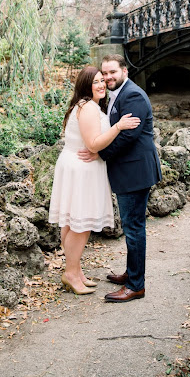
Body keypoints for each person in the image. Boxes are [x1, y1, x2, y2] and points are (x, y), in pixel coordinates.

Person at [48, 65, 141, 295]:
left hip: (76, 166)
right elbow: (92, 145)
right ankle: (70, 273)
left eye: (102, 80)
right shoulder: (88, 107)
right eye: (96, 82)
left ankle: (75, 270)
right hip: (82, 169)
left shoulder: (83, 105)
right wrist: (119, 126)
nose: (101, 85)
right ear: (86, 86)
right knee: (81, 224)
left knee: (72, 222)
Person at [79, 54, 161, 303]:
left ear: (124, 70)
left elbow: (129, 137)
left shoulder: (133, 95)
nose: (107, 77)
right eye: (104, 73)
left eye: (112, 72)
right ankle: (131, 273)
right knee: (131, 226)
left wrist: (99, 152)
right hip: (129, 170)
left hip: (135, 172)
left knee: (134, 228)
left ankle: (136, 285)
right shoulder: (119, 94)